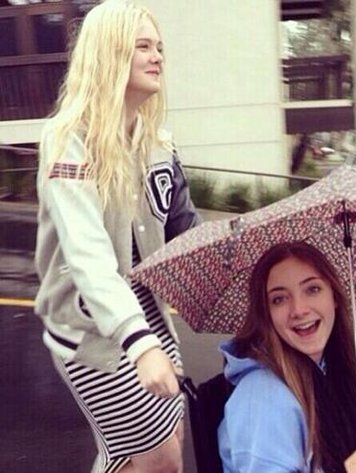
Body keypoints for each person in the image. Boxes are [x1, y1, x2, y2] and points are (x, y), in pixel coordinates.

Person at [34, 1, 200, 472]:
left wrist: (251, 270)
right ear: (109, 54)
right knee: (159, 459)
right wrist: (142, 345)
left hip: (147, 316)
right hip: (92, 332)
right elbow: (87, 257)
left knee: (162, 442)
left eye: (159, 47)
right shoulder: (68, 139)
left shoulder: (157, 142)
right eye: (143, 46)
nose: (157, 56)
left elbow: (186, 231)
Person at [218, 241, 356, 473]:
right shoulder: (261, 399)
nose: (299, 309)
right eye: (279, 299)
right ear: (266, 314)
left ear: (334, 297)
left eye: (312, 289)